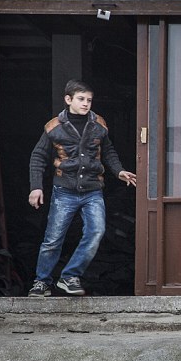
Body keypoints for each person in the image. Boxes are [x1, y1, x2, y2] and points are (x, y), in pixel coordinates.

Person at [27, 80, 136, 297]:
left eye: (89, 100)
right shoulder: (53, 127)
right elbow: (37, 157)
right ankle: (42, 282)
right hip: (63, 191)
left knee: (96, 231)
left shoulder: (99, 124)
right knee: (53, 239)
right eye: (81, 99)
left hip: (93, 190)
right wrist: (36, 188)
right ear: (68, 100)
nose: (86, 104)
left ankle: (69, 277)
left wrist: (119, 171)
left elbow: (108, 152)